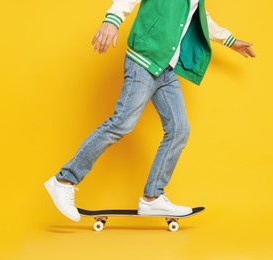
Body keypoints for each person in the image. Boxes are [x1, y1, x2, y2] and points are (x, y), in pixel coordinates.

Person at [45, 0, 255, 222]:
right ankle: (64, 180)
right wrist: (112, 19)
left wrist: (229, 40)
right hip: (143, 62)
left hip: (165, 69)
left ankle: (152, 198)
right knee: (121, 123)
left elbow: (199, 17)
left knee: (179, 130)